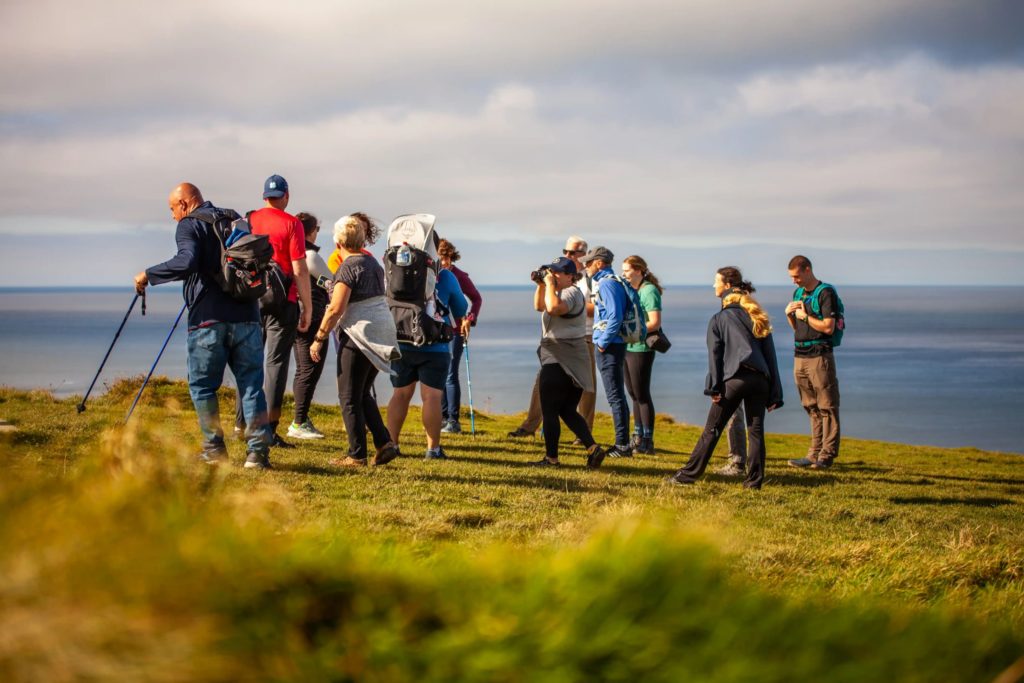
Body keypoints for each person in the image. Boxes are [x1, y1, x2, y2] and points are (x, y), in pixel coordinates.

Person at [133, 182, 273, 469]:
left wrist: (149, 274)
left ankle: (214, 450)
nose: (172, 215)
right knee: (251, 386)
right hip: (247, 315)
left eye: (172, 209)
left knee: (203, 387)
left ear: (184, 203)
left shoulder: (189, 225)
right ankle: (257, 454)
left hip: (208, 320)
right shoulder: (234, 218)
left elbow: (187, 261)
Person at [668, 267, 783, 489]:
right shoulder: (756, 315)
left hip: (735, 379)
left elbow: (716, 357)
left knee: (712, 430)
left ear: (727, 286)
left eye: (716, 281)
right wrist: (775, 393)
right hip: (760, 381)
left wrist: (714, 388)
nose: (713, 285)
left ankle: (687, 476)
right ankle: (754, 483)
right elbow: (771, 356)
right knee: (756, 431)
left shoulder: (719, 318)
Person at [309, 215, 400, 467]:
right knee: (361, 394)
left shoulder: (347, 267)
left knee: (348, 396)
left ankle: (356, 454)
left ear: (338, 241)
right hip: (380, 333)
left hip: (360, 335)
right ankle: (384, 443)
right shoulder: (373, 265)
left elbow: (336, 308)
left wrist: (319, 338)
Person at [234, 174, 312, 449]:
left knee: (248, 361)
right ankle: (267, 429)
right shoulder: (292, 224)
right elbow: (300, 268)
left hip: (250, 299)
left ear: (264, 196)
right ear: (286, 195)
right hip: (283, 300)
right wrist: (308, 306)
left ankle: (240, 423)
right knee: (275, 364)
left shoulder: (250, 219)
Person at [386, 228, 470, 460]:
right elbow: (461, 309)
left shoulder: (394, 272)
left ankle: (392, 444)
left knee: (400, 394)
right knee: (431, 396)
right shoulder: (444, 275)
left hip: (401, 340)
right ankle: (432, 449)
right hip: (435, 345)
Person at [508, 236, 596, 439]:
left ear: (583, 255)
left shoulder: (589, 279)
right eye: (566, 251)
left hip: (584, 337)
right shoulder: (558, 277)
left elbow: (601, 307)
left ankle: (583, 433)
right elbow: (542, 306)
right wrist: (543, 285)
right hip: (554, 342)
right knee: (544, 383)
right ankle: (531, 426)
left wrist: (575, 304)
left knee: (584, 387)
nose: (568, 255)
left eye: (573, 252)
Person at [528, 257, 606, 468]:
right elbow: (539, 306)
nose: (553, 275)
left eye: (557, 273)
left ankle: (551, 459)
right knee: (567, 410)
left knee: (550, 409)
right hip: (571, 357)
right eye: (551, 272)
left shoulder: (571, 293)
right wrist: (541, 285)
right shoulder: (557, 292)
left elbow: (553, 309)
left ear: (571, 276)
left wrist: (550, 285)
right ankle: (593, 449)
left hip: (561, 357)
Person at [784, 255, 842, 470]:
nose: (794, 281)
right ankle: (813, 453)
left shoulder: (826, 292)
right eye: (791, 277)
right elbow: (798, 329)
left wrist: (805, 316)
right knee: (810, 406)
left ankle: (826, 456)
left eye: (797, 276)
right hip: (800, 354)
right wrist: (790, 315)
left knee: (827, 406)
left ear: (808, 270)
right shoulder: (798, 293)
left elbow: (828, 327)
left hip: (820, 355)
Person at [583, 246, 633, 458]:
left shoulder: (607, 284)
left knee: (615, 396)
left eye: (589, 262)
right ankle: (623, 444)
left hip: (610, 345)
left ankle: (622, 445)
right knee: (617, 395)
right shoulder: (610, 282)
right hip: (613, 343)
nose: (585, 266)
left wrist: (602, 342)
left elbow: (615, 316)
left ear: (599, 263)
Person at [287, 212, 332, 440]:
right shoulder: (311, 256)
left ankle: (300, 417)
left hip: (295, 316)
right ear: (312, 231)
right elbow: (330, 283)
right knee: (309, 370)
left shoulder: (292, 252)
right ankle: (299, 422)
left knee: (302, 369)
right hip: (313, 318)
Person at [437, 239, 483, 434]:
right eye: (440, 257)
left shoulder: (459, 276)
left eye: (446, 257)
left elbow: (476, 298)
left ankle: (453, 421)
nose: (444, 261)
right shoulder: (433, 274)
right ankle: (442, 417)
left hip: (456, 331)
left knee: (450, 374)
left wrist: (470, 319)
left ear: (451, 257)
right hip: (436, 331)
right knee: (438, 374)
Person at [621, 255, 663, 455]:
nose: (624, 274)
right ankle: (637, 436)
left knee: (642, 395)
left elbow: (655, 322)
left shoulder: (649, 290)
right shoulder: (632, 289)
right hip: (627, 347)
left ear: (638, 270)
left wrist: (633, 332)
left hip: (641, 349)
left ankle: (647, 441)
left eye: (627, 270)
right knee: (633, 394)